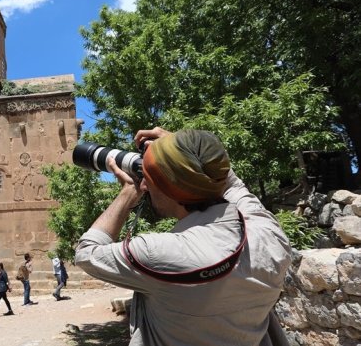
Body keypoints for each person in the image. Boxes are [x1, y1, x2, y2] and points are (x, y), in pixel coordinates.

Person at [74, 127, 292, 346]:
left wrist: (127, 194)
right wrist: (189, 149)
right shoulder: (269, 233)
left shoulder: (158, 252)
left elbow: (87, 252)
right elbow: (232, 185)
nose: (143, 184)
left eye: (147, 179)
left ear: (169, 189)